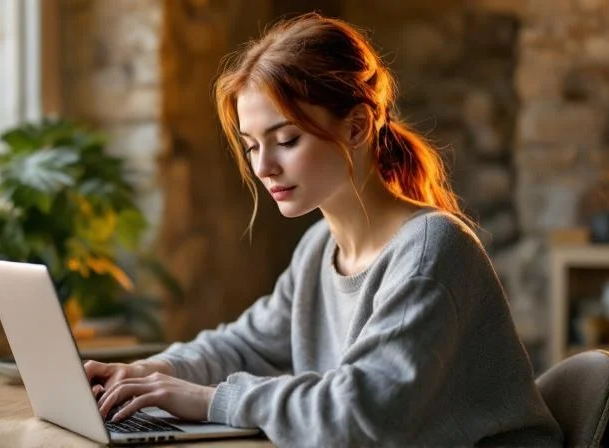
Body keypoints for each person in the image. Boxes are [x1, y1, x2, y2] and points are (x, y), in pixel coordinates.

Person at [84, 12, 563, 446]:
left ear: (357, 128)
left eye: (286, 139)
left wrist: (209, 400)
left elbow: (359, 413)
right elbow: (244, 344)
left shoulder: (430, 251)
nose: (264, 166)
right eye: (252, 146)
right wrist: (150, 373)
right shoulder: (318, 248)